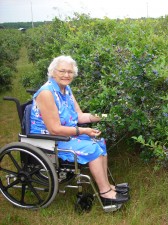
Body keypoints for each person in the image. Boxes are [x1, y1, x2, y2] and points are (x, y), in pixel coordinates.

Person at [30, 55, 128, 206]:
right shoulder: (47, 93)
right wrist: (84, 131)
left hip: (65, 134)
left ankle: (107, 186)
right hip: (50, 140)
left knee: (99, 141)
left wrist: (106, 116)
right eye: (62, 71)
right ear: (53, 72)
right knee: (91, 148)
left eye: (70, 72)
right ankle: (105, 193)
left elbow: (80, 116)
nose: (66, 75)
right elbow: (54, 129)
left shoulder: (66, 89)